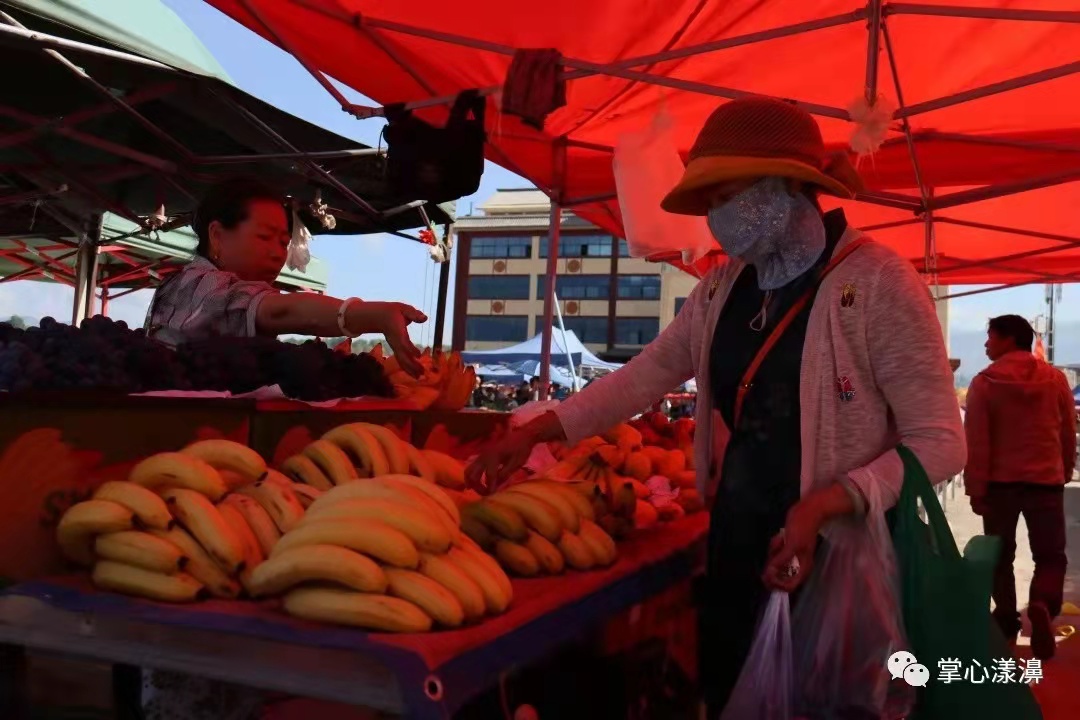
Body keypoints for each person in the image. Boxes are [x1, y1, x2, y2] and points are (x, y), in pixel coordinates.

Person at [467, 96, 965, 717]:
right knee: (730, 690)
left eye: (724, 195)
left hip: (839, 560)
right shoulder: (721, 289)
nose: (715, 217)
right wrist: (542, 428)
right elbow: (646, 374)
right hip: (739, 539)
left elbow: (941, 440)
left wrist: (825, 502)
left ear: (786, 186)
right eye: (708, 203)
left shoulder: (878, 284)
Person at [147, 177, 426, 377]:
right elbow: (281, 311)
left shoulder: (183, 282)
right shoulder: (199, 284)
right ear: (217, 236)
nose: (276, 253)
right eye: (264, 237)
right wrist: (371, 315)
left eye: (282, 242)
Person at [964, 314, 1076, 659]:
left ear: (1009, 339)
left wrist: (975, 488)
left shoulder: (985, 383)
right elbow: (1066, 432)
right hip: (1045, 481)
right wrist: (1065, 468)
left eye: (990, 338)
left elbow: (977, 442)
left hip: (1000, 485)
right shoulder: (1055, 380)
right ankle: (1042, 604)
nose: (985, 345)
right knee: (1051, 555)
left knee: (1001, 555)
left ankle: (1006, 618)